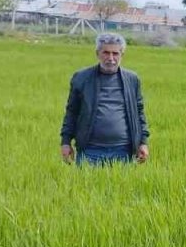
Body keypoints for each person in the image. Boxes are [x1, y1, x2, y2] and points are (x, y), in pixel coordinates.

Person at [60, 33, 150, 165]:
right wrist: (66, 142)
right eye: (106, 53)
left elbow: (139, 113)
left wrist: (143, 143)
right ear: (97, 53)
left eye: (115, 53)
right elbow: (71, 112)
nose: (111, 58)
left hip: (123, 150)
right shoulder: (82, 78)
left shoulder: (132, 80)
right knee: (85, 186)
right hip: (90, 150)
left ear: (122, 55)